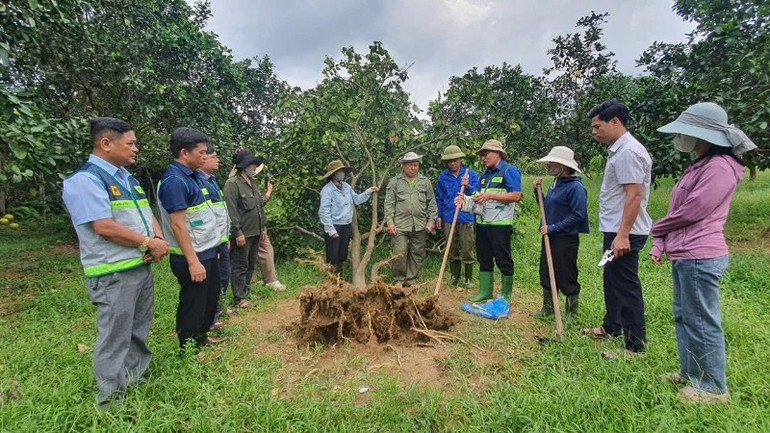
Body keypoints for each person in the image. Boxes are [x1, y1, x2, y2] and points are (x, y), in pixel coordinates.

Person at [651, 102, 756, 404]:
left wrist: (657, 228)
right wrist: (661, 242)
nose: (683, 137)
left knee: (702, 320)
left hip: (701, 254)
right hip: (685, 253)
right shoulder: (700, 164)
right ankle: (691, 373)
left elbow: (694, 210)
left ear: (704, 135)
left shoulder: (721, 168)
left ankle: (712, 387)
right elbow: (678, 209)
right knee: (685, 316)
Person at [62, 117, 169, 408]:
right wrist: (148, 243)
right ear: (106, 143)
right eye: (131, 143)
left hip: (139, 266)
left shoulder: (127, 178)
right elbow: (103, 227)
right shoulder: (85, 181)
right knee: (114, 336)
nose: (136, 148)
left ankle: (134, 378)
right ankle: (111, 401)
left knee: (138, 328)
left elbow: (147, 213)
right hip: (113, 272)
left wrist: (157, 238)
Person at [583, 100, 652, 358]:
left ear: (615, 122)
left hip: (626, 232)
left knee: (625, 285)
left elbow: (634, 196)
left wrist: (622, 235)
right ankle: (611, 327)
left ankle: (635, 347)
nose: (594, 132)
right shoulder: (619, 150)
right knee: (612, 280)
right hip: (616, 229)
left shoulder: (628, 152)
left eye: (597, 126)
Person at [158, 127, 224, 351]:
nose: (205, 157)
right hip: (191, 256)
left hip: (207, 251)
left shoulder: (195, 178)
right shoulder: (174, 181)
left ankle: (201, 338)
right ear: (184, 152)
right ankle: (189, 350)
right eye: (202, 152)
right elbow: (178, 225)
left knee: (209, 299)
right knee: (193, 304)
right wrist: (193, 261)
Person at [457, 139, 522, 303]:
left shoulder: (509, 171)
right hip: (483, 224)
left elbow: (516, 196)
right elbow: (479, 197)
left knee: (503, 259)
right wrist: (465, 200)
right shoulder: (485, 175)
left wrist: (490, 196)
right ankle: (485, 291)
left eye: (486, 154)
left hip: (500, 225)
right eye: (482, 156)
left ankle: (506, 295)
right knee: (484, 258)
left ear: (497, 154)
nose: (483, 158)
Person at [532, 146, 589, 318]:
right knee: (546, 271)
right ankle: (548, 309)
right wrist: (538, 192)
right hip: (550, 236)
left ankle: (571, 314)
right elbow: (547, 207)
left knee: (566, 274)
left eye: (552, 163)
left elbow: (578, 215)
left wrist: (554, 228)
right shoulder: (556, 183)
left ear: (563, 166)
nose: (549, 165)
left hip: (565, 239)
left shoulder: (576, 187)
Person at [384, 152, 437, 287]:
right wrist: (390, 222)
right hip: (400, 225)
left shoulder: (425, 182)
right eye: (410, 165)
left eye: (415, 165)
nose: (413, 168)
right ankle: (399, 279)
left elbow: (431, 203)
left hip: (420, 225)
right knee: (399, 252)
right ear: (403, 166)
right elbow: (389, 204)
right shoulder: (395, 182)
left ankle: (411, 279)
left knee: (417, 252)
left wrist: (431, 221)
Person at [318, 160, 379, 276]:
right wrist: (331, 230)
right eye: (338, 171)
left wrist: (369, 191)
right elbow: (324, 212)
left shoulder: (346, 187)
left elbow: (356, 199)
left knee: (342, 254)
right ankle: (331, 280)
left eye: (342, 171)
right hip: (334, 226)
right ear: (333, 174)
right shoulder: (327, 190)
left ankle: (339, 279)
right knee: (333, 256)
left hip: (346, 225)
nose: (341, 173)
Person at [223, 150, 266, 309]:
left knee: (250, 264)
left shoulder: (252, 183)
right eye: (253, 165)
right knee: (239, 265)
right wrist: (237, 232)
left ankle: (246, 292)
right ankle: (239, 298)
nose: (255, 168)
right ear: (244, 166)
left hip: (255, 230)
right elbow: (231, 210)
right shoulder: (232, 184)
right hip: (243, 233)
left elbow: (259, 206)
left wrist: (264, 226)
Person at [435, 145, 480, 289]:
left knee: (467, 247)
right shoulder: (443, 177)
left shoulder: (470, 174)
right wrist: (439, 216)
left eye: (455, 160)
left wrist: (468, 187)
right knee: (451, 248)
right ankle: (455, 276)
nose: (452, 163)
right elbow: (440, 198)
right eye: (449, 161)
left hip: (466, 216)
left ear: (460, 159)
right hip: (448, 216)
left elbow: (478, 195)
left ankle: (468, 279)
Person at [198, 143, 230, 331]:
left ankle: (217, 312)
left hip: (221, 239)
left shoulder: (212, 180)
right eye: (213, 156)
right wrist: (216, 244)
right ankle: (211, 318)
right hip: (211, 242)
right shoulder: (199, 182)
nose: (217, 160)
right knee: (212, 283)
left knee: (223, 278)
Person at [256, 176, 286, 291]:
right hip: (248, 226)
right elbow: (258, 204)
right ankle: (270, 280)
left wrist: (263, 225)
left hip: (257, 225)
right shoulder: (236, 185)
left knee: (256, 252)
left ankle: (258, 281)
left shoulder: (250, 183)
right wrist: (268, 192)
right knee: (264, 250)